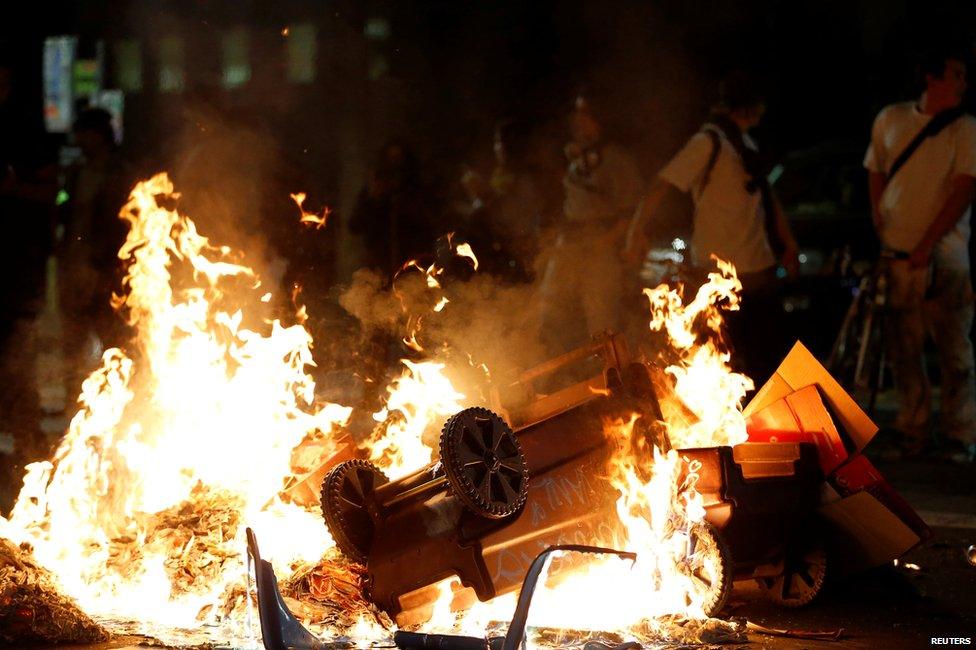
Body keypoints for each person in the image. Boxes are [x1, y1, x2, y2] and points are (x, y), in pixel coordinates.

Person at [625, 71, 799, 383]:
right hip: (718, 274)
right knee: (729, 363)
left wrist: (788, 242)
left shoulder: (745, 142)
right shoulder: (708, 142)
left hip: (759, 268)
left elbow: (766, 198)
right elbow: (661, 184)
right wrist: (635, 231)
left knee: (768, 360)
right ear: (748, 104)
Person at [864, 48, 976, 463]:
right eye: (957, 73)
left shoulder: (965, 129)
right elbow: (875, 167)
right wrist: (878, 214)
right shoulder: (891, 119)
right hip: (896, 254)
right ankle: (913, 429)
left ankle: (958, 433)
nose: (964, 82)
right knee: (903, 348)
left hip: (944, 257)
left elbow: (964, 189)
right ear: (932, 79)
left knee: (953, 348)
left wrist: (928, 243)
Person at [538, 91, 643, 354]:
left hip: (600, 247)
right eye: (577, 112)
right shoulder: (574, 157)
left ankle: (617, 378)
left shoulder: (617, 159)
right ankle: (549, 377)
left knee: (602, 319)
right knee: (549, 310)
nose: (578, 119)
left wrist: (602, 244)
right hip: (568, 244)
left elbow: (629, 212)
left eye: (585, 113)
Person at [58, 108, 130, 384]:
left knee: (112, 331)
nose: (78, 140)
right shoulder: (78, 173)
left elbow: (121, 225)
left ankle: (118, 388)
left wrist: (106, 264)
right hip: (77, 263)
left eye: (83, 133)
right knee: (75, 333)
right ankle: (79, 392)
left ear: (99, 136)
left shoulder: (118, 174)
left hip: (105, 267)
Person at [456, 119, 548, 281]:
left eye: (501, 142)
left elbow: (504, 211)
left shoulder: (527, 179)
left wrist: (480, 194)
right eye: (497, 142)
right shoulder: (500, 174)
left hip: (520, 251)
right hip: (499, 250)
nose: (498, 148)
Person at [350, 140, 438, 280]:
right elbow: (355, 225)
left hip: (412, 266)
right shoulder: (375, 191)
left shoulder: (417, 191)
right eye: (390, 160)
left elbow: (428, 223)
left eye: (399, 159)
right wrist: (374, 199)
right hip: (379, 267)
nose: (395, 165)